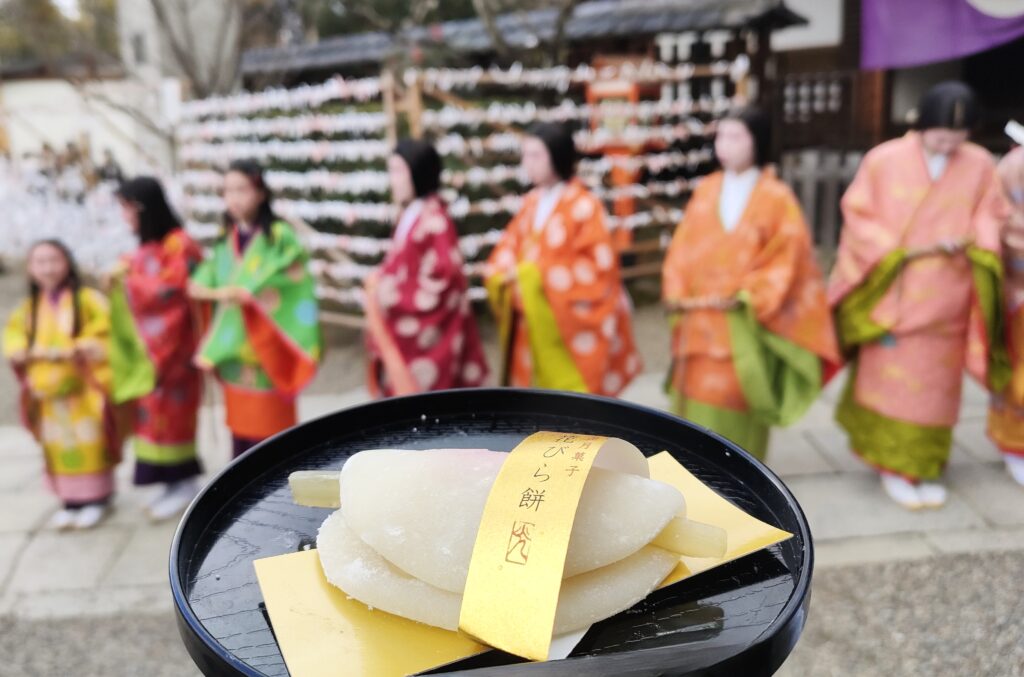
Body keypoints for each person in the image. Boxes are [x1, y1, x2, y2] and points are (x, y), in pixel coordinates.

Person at [829, 81, 1009, 509]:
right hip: (895, 293)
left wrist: (976, 241)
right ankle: (892, 466)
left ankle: (924, 465)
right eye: (941, 133)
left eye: (959, 135)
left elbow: (991, 214)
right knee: (891, 385)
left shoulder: (980, 164)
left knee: (937, 389)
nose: (950, 142)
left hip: (949, 294)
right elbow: (859, 214)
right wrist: (901, 247)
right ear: (923, 123)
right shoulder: (884, 159)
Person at [662, 108, 839, 460]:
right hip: (699, 324)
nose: (723, 145)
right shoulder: (706, 190)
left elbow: (789, 257)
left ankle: (743, 482)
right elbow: (682, 249)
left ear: (758, 141)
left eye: (735, 136)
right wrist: (678, 293)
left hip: (743, 322)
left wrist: (750, 295)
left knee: (738, 402)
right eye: (720, 136)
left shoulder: (776, 196)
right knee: (694, 408)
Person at [485, 122, 642, 395]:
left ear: (557, 156)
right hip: (533, 324)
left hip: (568, 326)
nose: (528, 164)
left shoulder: (584, 205)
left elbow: (598, 269)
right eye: (526, 156)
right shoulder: (531, 203)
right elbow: (508, 248)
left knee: (574, 405)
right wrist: (506, 273)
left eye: (536, 156)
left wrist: (532, 276)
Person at [188, 159, 322, 458]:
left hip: (267, 348)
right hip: (234, 349)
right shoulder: (227, 238)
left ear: (260, 193)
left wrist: (250, 292)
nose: (233, 198)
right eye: (227, 191)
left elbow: (291, 278)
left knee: (273, 441)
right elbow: (212, 270)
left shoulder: (279, 235)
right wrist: (200, 283)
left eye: (241, 189)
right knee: (240, 435)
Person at [3, 240, 122, 530]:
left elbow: (106, 330)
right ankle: (70, 501)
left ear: (67, 262)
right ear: (30, 269)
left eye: (53, 260)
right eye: (40, 262)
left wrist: (81, 347)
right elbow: (14, 336)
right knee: (58, 447)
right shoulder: (29, 308)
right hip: (48, 395)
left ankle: (98, 498)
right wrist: (17, 350)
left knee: (90, 442)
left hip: (82, 389)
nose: (48, 268)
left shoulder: (87, 300)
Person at [110, 177, 205, 520]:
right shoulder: (148, 247)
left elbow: (174, 291)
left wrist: (128, 281)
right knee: (151, 420)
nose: (124, 215)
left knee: (174, 419)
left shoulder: (180, 244)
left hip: (175, 351)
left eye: (126, 207)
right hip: (148, 352)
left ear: (143, 208)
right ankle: (169, 484)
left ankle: (185, 483)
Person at [364, 139, 488, 396]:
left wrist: (386, 292)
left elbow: (445, 280)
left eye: (398, 171)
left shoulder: (435, 219)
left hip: (429, 331)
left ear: (418, 171)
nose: (393, 180)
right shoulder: (413, 214)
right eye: (391, 171)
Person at [986, 143, 1024, 487]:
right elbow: (1005, 220)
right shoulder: (1016, 164)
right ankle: (1015, 447)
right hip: (1021, 289)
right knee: (1019, 377)